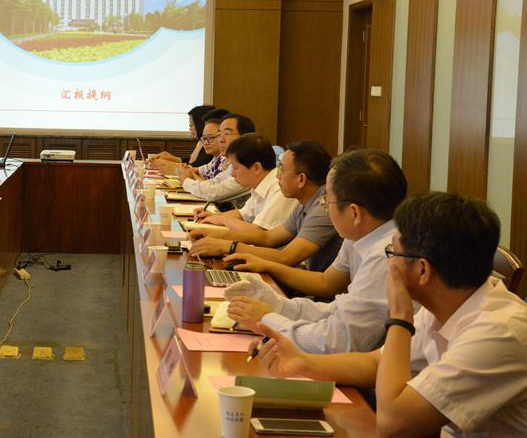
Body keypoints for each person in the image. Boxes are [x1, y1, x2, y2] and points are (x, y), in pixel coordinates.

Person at [251, 193, 527, 437]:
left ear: (422, 270)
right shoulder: (448, 303)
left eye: (393, 252)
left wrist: (399, 318)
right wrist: (303, 362)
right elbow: (375, 363)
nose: (389, 263)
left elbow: (393, 423)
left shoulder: (498, 332)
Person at [223, 149, 407, 354]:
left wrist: (267, 320)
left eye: (328, 200)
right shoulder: (361, 235)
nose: (323, 205)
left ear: (354, 213)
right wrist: (277, 305)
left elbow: (340, 341)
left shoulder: (386, 256)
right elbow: (335, 305)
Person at [190, 141, 342, 272]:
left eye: (282, 169)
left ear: (301, 179)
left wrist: (228, 246)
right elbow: (268, 237)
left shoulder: (323, 207)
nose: (277, 175)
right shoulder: (306, 203)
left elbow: (286, 257)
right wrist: (216, 235)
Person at [195, 132, 297, 235]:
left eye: (235, 167)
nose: (232, 174)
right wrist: (213, 217)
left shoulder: (280, 189)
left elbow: (260, 234)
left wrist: (223, 219)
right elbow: (242, 214)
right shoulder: (260, 184)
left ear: (256, 167)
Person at [180, 113, 256, 203]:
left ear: (245, 137)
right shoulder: (233, 164)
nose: (221, 140)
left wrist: (186, 180)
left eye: (227, 133)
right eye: (219, 134)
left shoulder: (248, 164)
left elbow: (214, 193)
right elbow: (214, 183)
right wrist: (188, 176)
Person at [147, 104, 215, 168]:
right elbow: (190, 161)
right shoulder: (201, 142)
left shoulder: (209, 145)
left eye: (191, 125)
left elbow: (195, 167)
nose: (189, 129)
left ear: (200, 125)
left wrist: (168, 164)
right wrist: (169, 157)